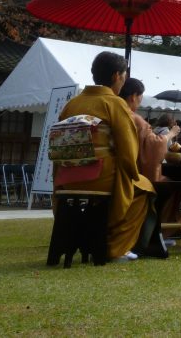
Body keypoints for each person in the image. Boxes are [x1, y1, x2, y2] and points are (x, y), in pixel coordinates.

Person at [54, 51, 155, 261]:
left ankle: (85, 238)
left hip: (67, 178)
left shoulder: (71, 104)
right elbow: (128, 151)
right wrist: (133, 173)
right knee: (144, 188)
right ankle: (112, 248)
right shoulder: (115, 103)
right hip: (100, 177)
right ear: (116, 76)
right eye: (124, 76)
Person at [120, 78, 180, 182]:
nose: (141, 99)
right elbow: (154, 145)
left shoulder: (114, 112)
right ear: (134, 96)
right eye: (141, 95)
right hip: (130, 175)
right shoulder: (136, 120)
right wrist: (171, 133)